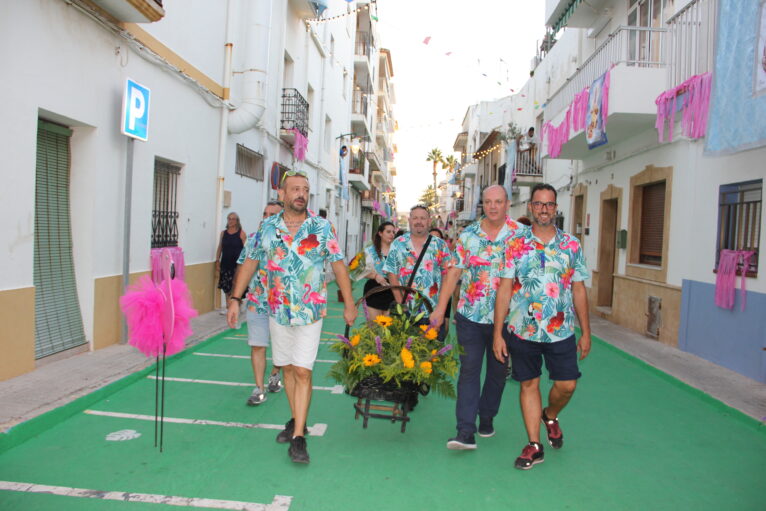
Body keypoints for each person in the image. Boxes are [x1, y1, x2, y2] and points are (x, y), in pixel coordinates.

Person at [228, 171, 357, 464]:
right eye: (295, 189)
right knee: (286, 368)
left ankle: (298, 436)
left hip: (310, 312)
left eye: (305, 189)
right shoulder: (267, 228)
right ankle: (296, 419)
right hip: (277, 309)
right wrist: (236, 299)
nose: (300, 193)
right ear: (283, 194)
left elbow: (338, 266)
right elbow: (250, 262)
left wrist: (349, 303)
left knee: (303, 371)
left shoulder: (322, 227)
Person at [492, 183, 591, 470]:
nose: (544, 209)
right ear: (531, 207)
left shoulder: (571, 245)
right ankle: (534, 444)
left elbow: (579, 289)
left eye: (549, 204)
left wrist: (586, 332)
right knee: (529, 383)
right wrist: (498, 333)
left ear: (555, 208)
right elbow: (504, 289)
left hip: (560, 331)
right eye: (538, 204)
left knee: (567, 384)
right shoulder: (514, 244)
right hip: (523, 328)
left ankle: (550, 414)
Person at [430, 185, 528, 450]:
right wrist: (440, 310)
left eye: (498, 201)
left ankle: (487, 416)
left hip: (508, 320)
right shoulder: (469, 234)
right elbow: (454, 273)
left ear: (508, 204)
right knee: (469, 371)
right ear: (482, 205)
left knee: (497, 374)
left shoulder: (521, 235)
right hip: (470, 315)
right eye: (488, 202)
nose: (493, 206)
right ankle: (465, 430)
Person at [237, 200, 285, 406]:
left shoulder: (290, 242)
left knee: (281, 347)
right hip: (257, 301)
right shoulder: (254, 239)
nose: (266, 217)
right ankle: (259, 388)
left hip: (283, 303)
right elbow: (243, 267)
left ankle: (275, 373)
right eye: (264, 213)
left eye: (272, 214)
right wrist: (235, 298)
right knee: (257, 345)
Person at [384, 205, 454, 339]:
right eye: (415, 218)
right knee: (404, 355)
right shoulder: (398, 244)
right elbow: (391, 273)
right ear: (409, 220)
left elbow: (448, 277)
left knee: (432, 356)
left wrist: (441, 309)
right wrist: (400, 302)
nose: (418, 221)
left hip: (433, 312)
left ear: (429, 221)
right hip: (406, 311)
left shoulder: (440, 245)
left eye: (423, 218)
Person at [360, 221, 397, 319]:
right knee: (374, 328)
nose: (392, 235)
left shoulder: (398, 251)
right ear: (380, 233)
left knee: (390, 329)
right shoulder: (369, 251)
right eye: (388, 232)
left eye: (393, 232)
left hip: (393, 291)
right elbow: (360, 270)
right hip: (374, 291)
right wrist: (375, 276)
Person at [216, 212, 247, 312]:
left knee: (236, 284)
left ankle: (237, 304)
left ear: (237, 221)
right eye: (229, 219)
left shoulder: (241, 233)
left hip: (237, 264)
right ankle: (228, 306)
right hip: (225, 262)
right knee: (226, 285)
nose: (230, 221)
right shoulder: (223, 233)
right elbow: (220, 247)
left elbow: (246, 249)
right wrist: (217, 260)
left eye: (233, 219)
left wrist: (244, 263)